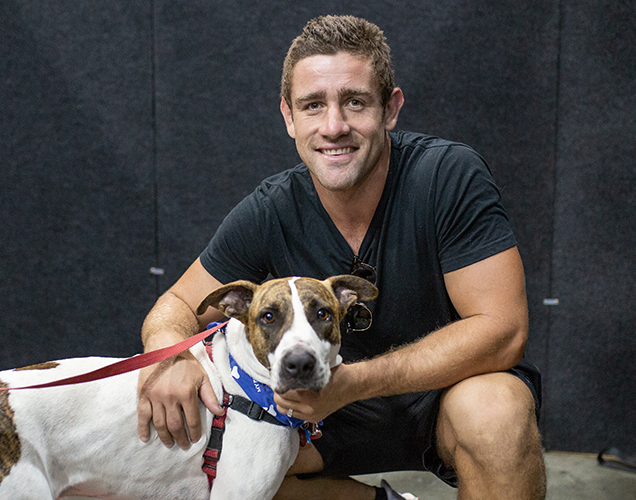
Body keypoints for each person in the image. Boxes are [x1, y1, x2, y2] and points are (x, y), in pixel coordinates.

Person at [137, 14, 546, 500]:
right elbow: (177, 306)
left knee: (497, 411)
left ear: (390, 109)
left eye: (354, 102)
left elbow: (503, 330)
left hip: (444, 396)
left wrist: (354, 382)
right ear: (289, 117)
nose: (334, 127)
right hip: (323, 412)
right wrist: (169, 358)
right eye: (313, 106)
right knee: (214, 451)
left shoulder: (447, 175)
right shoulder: (272, 208)